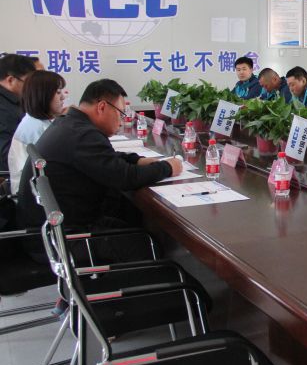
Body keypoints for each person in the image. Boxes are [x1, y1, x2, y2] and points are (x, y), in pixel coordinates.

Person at [16, 79, 183, 244]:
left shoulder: (69, 123)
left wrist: (137, 160)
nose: (121, 121)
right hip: (68, 238)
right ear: (102, 107)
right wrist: (168, 167)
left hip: (50, 231)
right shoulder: (84, 135)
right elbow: (125, 178)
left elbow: (105, 158)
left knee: (130, 219)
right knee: (148, 243)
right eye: (120, 113)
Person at [8, 71, 66, 194]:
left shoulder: (39, 122)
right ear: (43, 95)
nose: (63, 97)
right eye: (58, 92)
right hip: (34, 196)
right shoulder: (34, 127)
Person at [0, 54, 36, 173]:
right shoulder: (3, 108)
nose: (31, 88)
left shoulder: (15, 102)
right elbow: (6, 154)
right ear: (11, 80)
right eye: (28, 83)